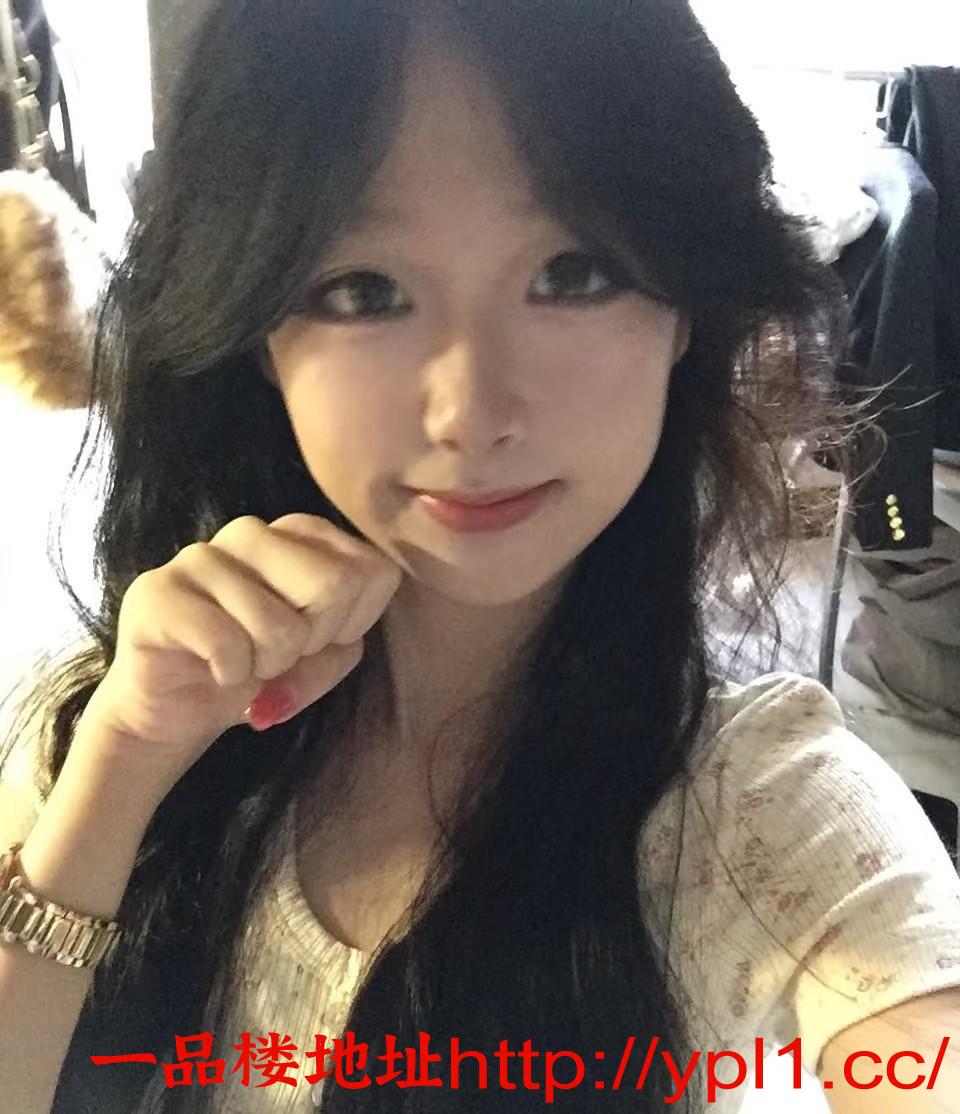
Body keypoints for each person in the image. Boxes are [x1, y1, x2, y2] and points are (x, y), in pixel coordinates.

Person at [1, 2, 959, 1112]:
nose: (470, 413)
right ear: (259, 333)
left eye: (573, 272)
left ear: (684, 311)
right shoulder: (111, 712)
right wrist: (121, 768)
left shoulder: (764, 815)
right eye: (365, 290)